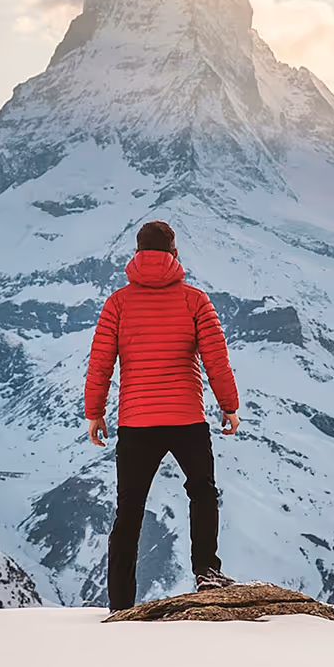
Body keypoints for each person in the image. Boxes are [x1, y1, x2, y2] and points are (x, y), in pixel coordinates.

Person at [85, 219, 241, 611]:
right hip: (186, 418)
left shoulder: (117, 303)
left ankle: (120, 602)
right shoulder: (195, 300)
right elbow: (216, 359)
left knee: (129, 509)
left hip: (136, 422)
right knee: (202, 492)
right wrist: (229, 406)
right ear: (174, 253)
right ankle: (206, 571)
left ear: (137, 253)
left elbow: (101, 362)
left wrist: (95, 412)